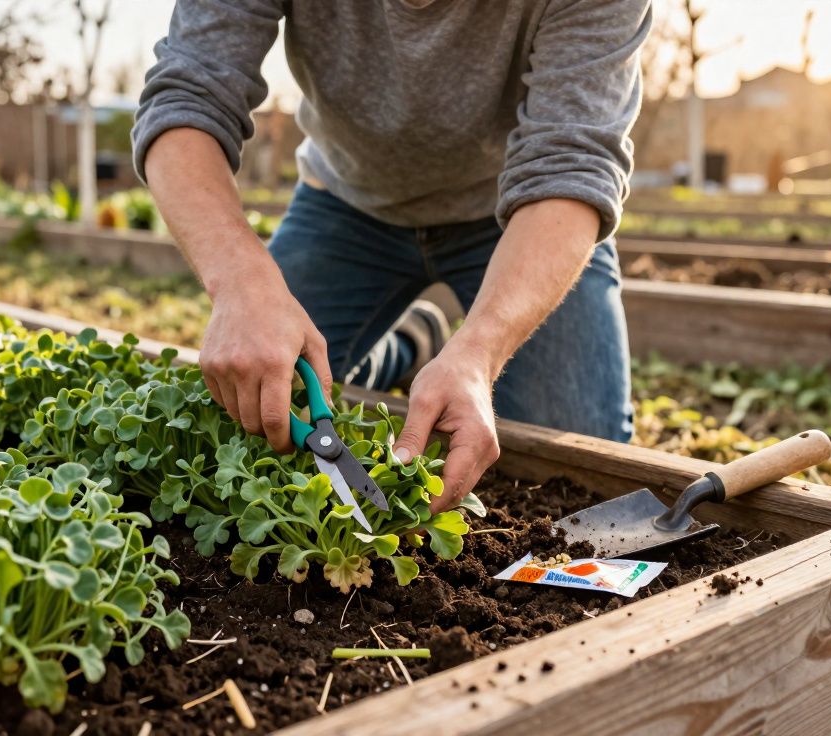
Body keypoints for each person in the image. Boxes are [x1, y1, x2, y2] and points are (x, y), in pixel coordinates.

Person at [134, 0, 649, 513]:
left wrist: (480, 351)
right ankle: (408, 347)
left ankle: (440, 357)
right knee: (254, 404)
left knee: (584, 459)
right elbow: (186, 98)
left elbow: (573, 163)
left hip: (522, 220)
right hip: (345, 205)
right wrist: (242, 285)